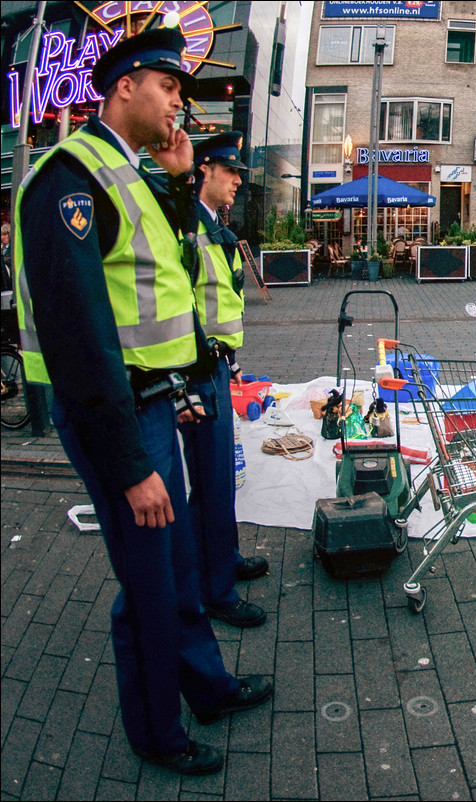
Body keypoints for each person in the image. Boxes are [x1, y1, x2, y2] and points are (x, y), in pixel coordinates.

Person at [12, 28, 272, 775]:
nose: (179, 106)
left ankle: (208, 687)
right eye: (169, 89)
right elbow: (81, 338)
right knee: (152, 579)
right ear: (124, 86)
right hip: (115, 416)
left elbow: (171, 281)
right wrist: (129, 464)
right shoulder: (70, 178)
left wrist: (185, 388)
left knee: (177, 565)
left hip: (152, 403)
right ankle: (161, 733)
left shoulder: (130, 174)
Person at [181, 131, 269, 629]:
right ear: (204, 172)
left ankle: (225, 556)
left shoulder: (215, 226)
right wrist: (198, 368)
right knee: (212, 479)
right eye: (230, 171)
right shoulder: (189, 228)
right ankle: (215, 590)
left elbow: (220, 301)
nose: (238, 180)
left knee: (221, 476)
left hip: (216, 363)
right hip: (196, 369)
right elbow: (181, 305)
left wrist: (230, 359)